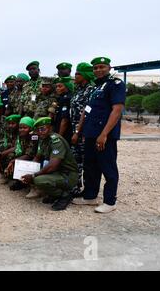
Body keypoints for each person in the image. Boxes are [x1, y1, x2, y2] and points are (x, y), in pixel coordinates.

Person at [73, 57, 126, 214]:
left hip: (104, 135)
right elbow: (86, 110)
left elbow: (116, 110)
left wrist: (104, 134)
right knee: (90, 166)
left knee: (108, 167)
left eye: (102, 67)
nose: (98, 70)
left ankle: (110, 201)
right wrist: (80, 131)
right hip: (90, 134)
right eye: (95, 68)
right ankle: (90, 196)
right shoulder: (96, 87)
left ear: (109, 67)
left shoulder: (115, 85)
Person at [22, 117, 78, 211]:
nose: (41, 132)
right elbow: (37, 157)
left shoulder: (56, 141)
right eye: (38, 130)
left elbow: (53, 166)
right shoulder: (44, 141)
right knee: (35, 177)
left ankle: (65, 196)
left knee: (38, 180)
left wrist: (33, 175)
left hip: (68, 175)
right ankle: (53, 194)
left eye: (43, 129)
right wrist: (25, 171)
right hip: (57, 173)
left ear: (50, 128)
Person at [70, 63, 96, 194]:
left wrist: (77, 132)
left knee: (87, 162)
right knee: (76, 160)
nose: (75, 76)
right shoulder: (79, 89)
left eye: (78, 74)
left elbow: (86, 113)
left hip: (84, 131)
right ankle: (75, 187)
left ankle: (88, 190)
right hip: (75, 129)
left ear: (85, 75)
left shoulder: (90, 90)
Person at [6, 117, 38, 191]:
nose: (22, 129)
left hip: (35, 158)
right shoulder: (21, 135)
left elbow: (29, 155)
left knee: (16, 160)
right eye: (20, 128)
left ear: (31, 128)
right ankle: (20, 181)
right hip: (25, 156)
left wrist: (13, 161)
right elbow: (18, 148)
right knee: (11, 156)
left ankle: (34, 187)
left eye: (25, 127)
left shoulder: (34, 137)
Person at [0, 114, 21, 184]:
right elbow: (4, 143)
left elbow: (17, 147)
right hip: (9, 149)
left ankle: (12, 175)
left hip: (19, 152)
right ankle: (2, 173)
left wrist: (1, 155)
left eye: (13, 123)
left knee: (10, 155)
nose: (11, 125)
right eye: (9, 124)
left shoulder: (21, 132)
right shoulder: (8, 130)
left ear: (18, 124)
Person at [54, 76, 74, 143]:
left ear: (67, 87)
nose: (57, 88)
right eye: (56, 87)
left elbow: (65, 120)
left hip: (65, 132)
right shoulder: (61, 98)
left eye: (60, 86)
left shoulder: (67, 99)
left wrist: (59, 136)